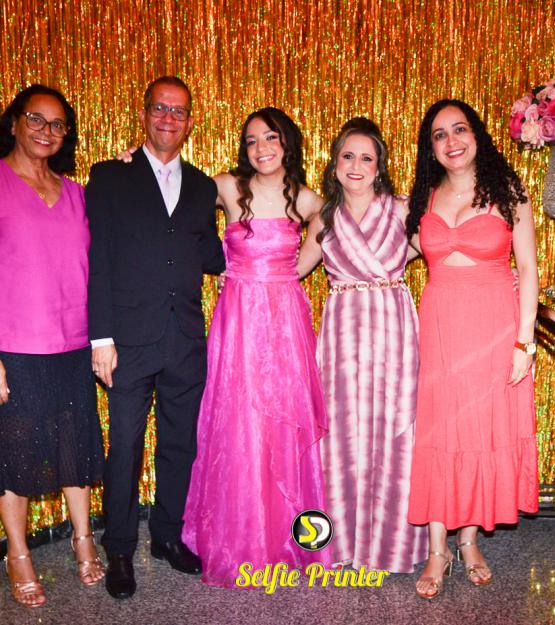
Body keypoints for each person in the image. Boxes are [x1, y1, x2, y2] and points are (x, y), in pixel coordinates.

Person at [86, 76, 225, 600]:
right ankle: (120, 547)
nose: (169, 118)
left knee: (179, 443)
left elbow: (210, 255)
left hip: (184, 339)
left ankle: (167, 535)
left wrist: (254, 222)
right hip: (127, 339)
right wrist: (100, 337)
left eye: (179, 111)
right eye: (160, 108)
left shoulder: (203, 187)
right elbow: (98, 260)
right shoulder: (109, 176)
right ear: (144, 114)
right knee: (124, 446)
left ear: (190, 123)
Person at [181, 107, 331, 588]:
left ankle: (288, 537)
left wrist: (288, 273)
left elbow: (326, 233)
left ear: (287, 142)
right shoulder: (227, 187)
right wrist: (133, 161)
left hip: (284, 321)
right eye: (251, 140)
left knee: (282, 422)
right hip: (239, 322)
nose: (261, 148)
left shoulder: (307, 199)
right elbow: (174, 192)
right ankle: (241, 537)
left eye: (270, 137)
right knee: (239, 423)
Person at [406, 99, 539, 599]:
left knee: (480, 430)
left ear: (476, 135)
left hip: (494, 328)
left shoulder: (509, 193)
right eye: (439, 134)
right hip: (441, 326)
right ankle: (437, 549)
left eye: (459, 129)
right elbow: (396, 250)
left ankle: (468, 541)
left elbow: (529, 269)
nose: (451, 141)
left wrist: (524, 342)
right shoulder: (423, 197)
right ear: (431, 148)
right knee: (440, 430)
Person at [296, 117, 428, 573]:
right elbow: (291, 271)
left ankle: (391, 547)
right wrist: (240, 269)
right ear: (334, 164)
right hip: (343, 337)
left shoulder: (403, 210)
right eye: (347, 156)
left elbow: (441, 248)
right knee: (343, 433)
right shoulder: (324, 218)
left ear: (379, 166)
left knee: (394, 428)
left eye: (366, 158)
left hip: (393, 330)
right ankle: (339, 546)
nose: (356, 166)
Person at [0, 85, 105, 608]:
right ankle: (18, 554)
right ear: (14, 122)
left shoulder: (77, 193)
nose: (46, 131)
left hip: (73, 344)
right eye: (36, 119)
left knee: (75, 449)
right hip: (15, 347)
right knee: (14, 457)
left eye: (57, 124)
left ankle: (83, 539)